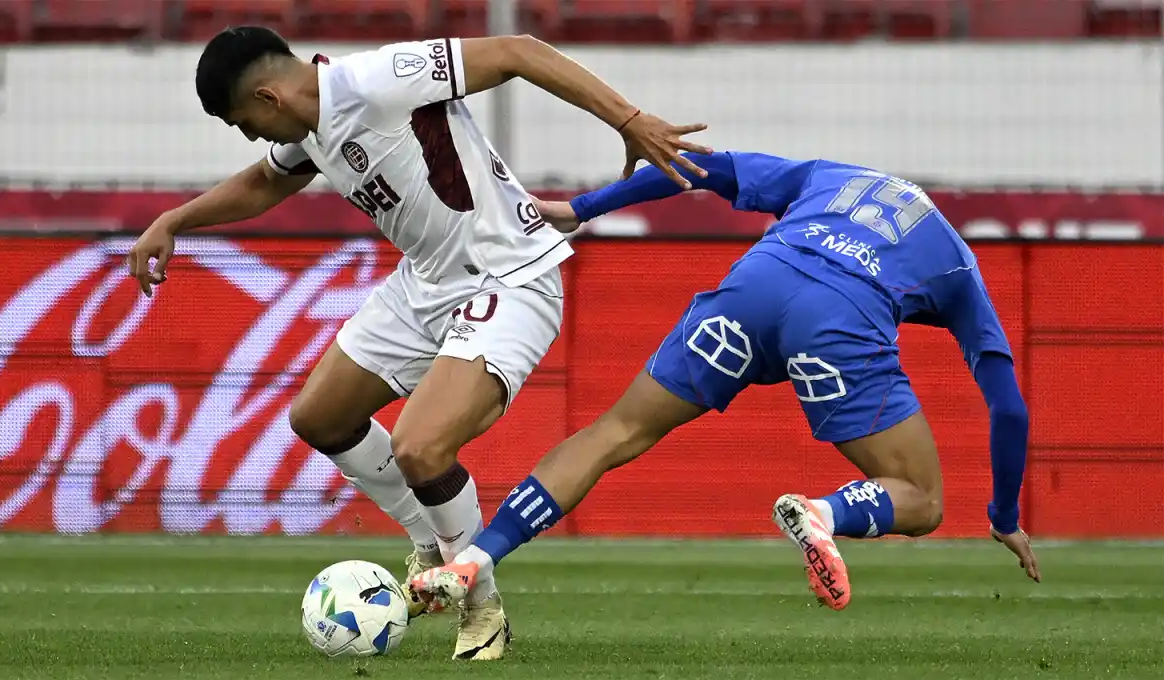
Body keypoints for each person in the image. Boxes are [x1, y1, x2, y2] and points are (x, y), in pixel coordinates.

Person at [124, 26, 710, 660]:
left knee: (421, 447)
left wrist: (628, 120)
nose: (253, 137)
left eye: (244, 123)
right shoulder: (310, 124)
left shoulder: (376, 79)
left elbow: (516, 51)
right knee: (320, 417)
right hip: (425, 282)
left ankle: (480, 602)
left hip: (506, 275)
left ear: (268, 97)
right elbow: (264, 183)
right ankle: (428, 543)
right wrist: (173, 221)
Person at [412, 150, 1042, 616]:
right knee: (923, 500)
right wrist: (1005, 514)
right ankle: (823, 512)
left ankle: (476, 557)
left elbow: (698, 167)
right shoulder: (958, 261)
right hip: (840, 319)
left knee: (613, 432)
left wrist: (582, 208)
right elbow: (1008, 408)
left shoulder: (829, 176)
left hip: (756, 283)